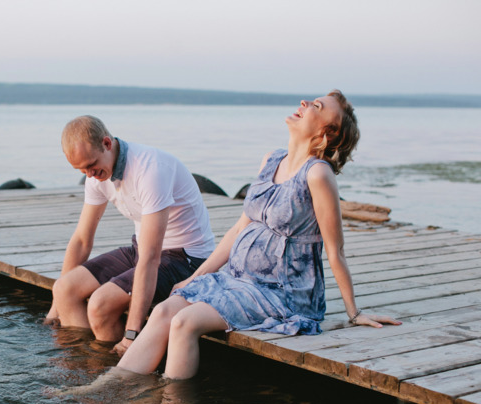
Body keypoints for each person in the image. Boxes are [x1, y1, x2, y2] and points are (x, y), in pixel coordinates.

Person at [115, 90, 402, 380]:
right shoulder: (271, 159)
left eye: (317, 106)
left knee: (184, 323)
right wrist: (195, 277)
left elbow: (335, 250)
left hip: (281, 292)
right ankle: (111, 385)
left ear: (328, 133)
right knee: (165, 310)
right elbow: (240, 228)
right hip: (239, 279)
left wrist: (354, 312)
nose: (304, 103)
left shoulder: (317, 175)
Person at [44, 115, 216, 356]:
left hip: (185, 258)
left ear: (106, 143)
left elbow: (151, 259)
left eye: (91, 165)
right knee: (64, 289)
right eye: (81, 170)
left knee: (100, 305)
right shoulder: (96, 173)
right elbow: (82, 239)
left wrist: (131, 335)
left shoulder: (150, 170)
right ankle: (83, 366)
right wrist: (56, 307)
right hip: (142, 248)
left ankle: (115, 372)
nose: (89, 174)